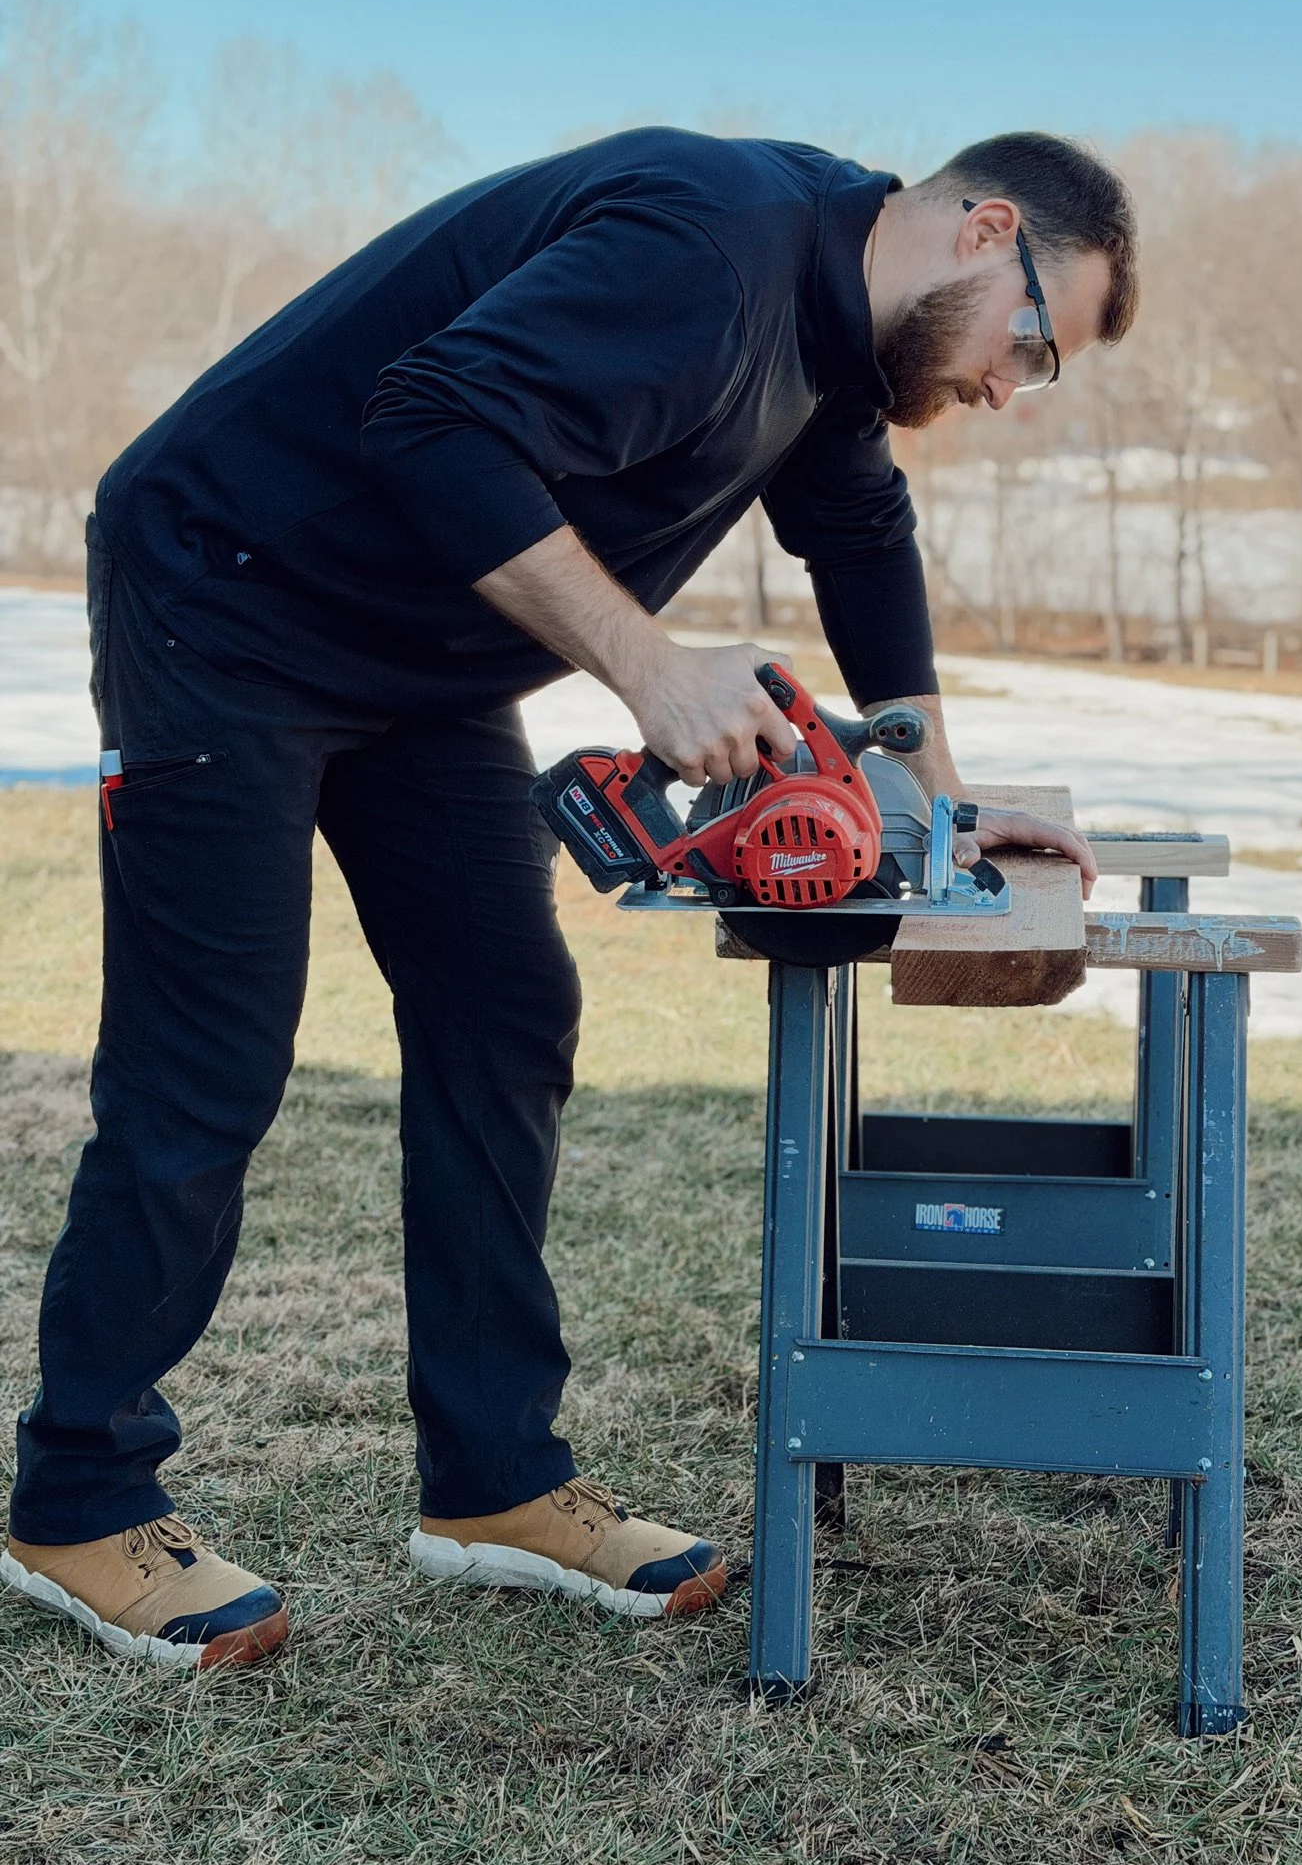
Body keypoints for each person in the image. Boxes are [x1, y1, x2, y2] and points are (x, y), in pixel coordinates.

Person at [2, 126, 1135, 1668]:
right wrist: (648, 665)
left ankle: (492, 1482)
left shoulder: (831, 340)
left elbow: (860, 537)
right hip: (230, 598)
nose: (1011, 385)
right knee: (211, 1059)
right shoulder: (711, 250)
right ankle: (78, 1496)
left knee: (505, 1022)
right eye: (1037, 338)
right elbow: (431, 420)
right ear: (982, 230)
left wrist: (929, 794)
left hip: (426, 664)